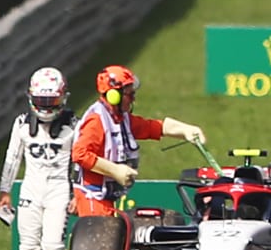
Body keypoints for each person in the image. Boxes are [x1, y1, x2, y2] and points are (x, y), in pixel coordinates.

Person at [70, 65, 206, 217]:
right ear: (114, 95)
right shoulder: (96, 121)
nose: (133, 98)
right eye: (130, 94)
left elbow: (149, 127)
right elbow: (79, 154)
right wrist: (115, 170)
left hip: (105, 196)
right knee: (101, 238)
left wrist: (184, 130)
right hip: (93, 198)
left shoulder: (120, 118)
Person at [0, 67, 77, 250]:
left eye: (51, 100)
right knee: (28, 246)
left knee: (52, 247)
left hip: (59, 188)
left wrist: (77, 194)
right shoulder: (21, 123)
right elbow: (12, 157)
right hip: (31, 187)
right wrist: (4, 190)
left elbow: (81, 162)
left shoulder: (74, 124)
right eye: (41, 100)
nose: (45, 106)